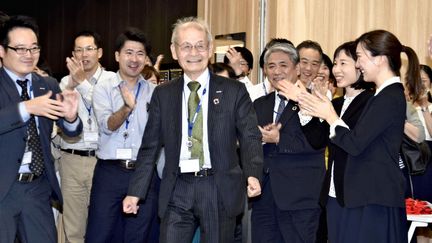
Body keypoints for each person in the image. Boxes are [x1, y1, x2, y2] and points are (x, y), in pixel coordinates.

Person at [123, 16, 263, 243]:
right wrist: (135, 191)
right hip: (177, 186)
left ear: (209, 50)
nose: (193, 52)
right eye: (186, 46)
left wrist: (253, 173)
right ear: (174, 51)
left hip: (217, 186)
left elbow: (250, 137)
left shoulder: (233, 91)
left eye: (200, 46)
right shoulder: (163, 94)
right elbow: (150, 147)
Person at [298, 29, 416, 243]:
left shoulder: (388, 96)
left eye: (359, 57)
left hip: (374, 197)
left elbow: (354, 143)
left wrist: (330, 116)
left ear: (379, 59)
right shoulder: (384, 94)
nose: (359, 64)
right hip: (367, 195)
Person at [0, 15, 82, 242]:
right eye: (20, 48)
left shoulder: (47, 84)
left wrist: (71, 117)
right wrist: (27, 107)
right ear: (2, 50)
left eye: (34, 48)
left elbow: (71, 132)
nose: (29, 55)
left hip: (37, 188)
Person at [87, 27, 159, 243]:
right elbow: (107, 125)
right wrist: (126, 108)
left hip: (143, 172)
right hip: (110, 172)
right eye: (129, 52)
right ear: (117, 56)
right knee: (101, 233)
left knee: (139, 235)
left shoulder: (154, 92)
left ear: (146, 59)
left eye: (140, 54)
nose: (134, 59)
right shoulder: (103, 88)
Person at [251, 43, 328, 243]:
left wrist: (279, 138)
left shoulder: (314, 101)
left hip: (300, 197)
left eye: (283, 65)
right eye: (271, 66)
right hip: (264, 198)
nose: (277, 71)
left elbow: (318, 143)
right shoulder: (259, 104)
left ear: (296, 68)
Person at [57, 30, 116, 243]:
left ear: (99, 52)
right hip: (70, 159)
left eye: (89, 49)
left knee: (102, 224)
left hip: (102, 161)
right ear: (73, 54)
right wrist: (73, 84)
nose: (84, 54)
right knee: (73, 227)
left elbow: (105, 114)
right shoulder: (64, 82)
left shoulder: (112, 80)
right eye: (78, 50)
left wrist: (82, 83)